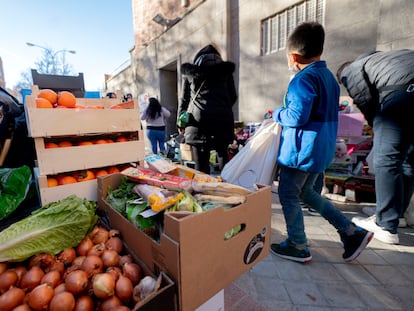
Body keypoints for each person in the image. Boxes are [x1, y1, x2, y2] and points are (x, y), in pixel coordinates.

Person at [270, 22, 374, 263]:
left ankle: (297, 244)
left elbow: (297, 116)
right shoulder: (328, 76)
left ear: (294, 55)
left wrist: (277, 113)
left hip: (301, 151)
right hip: (321, 149)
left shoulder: (302, 79)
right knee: (308, 194)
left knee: (288, 194)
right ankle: (351, 232)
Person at [337, 49, 414, 244]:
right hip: (407, 91)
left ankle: (386, 224)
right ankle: (399, 214)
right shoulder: (384, 59)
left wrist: (375, 128)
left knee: (387, 158)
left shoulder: (351, 70)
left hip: (403, 95)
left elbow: (364, 100)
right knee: (408, 159)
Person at [178, 43, 237, 174]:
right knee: (223, 156)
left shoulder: (190, 73)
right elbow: (233, 96)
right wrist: (221, 107)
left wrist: (180, 120)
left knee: (201, 165)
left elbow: (184, 100)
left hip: (198, 122)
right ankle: (227, 190)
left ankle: (203, 191)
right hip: (222, 121)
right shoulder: (226, 72)